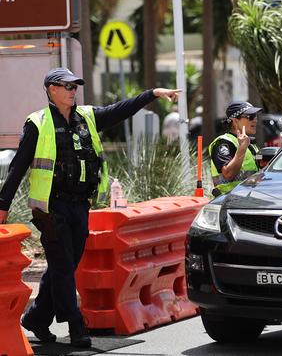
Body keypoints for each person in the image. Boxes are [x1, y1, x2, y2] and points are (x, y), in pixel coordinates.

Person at [0, 67, 180, 348]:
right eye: (67, 86)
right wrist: (3, 205)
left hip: (80, 206)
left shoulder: (87, 117)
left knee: (66, 265)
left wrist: (152, 94)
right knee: (62, 267)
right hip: (51, 208)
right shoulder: (37, 123)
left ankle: (36, 318)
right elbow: (18, 166)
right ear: (52, 89)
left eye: (75, 86)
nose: (73, 90)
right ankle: (75, 326)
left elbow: (121, 110)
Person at [209, 101, 261, 196]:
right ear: (235, 121)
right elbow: (228, 174)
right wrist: (242, 148)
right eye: (250, 116)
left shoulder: (249, 144)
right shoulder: (223, 142)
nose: (255, 120)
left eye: (255, 116)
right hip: (228, 200)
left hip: (248, 198)